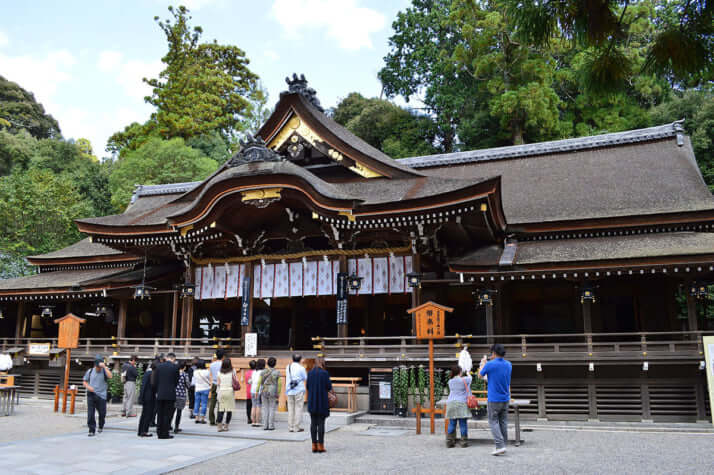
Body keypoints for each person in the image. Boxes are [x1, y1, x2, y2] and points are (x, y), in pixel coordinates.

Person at [478, 343, 513, 456]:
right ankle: (503, 444)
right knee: (503, 421)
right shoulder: (509, 364)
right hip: (505, 397)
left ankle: (500, 445)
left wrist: (483, 364)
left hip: (494, 398)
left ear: (493, 353)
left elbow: (479, 375)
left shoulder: (490, 364)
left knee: (493, 421)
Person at [306, 356, 332, 453]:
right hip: (322, 400)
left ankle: (314, 445)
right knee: (321, 423)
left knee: (313, 423)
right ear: (322, 363)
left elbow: (307, 386)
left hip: (312, 400)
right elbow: (329, 387)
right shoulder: (325, 373)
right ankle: (321, 445)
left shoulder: (310, 373)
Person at [82, 355, 112, 437]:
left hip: (102, 395)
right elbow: (84, 381)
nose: (99, 368)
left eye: (100, 367)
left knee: (102, 413)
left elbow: (110, 376)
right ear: (95, 365)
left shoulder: (104, 370)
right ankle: (91, 430)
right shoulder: (90, 371)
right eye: (97, 367)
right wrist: (88, 387)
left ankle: (101, 425)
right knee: (90, 413)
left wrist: (104, 367)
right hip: (91, 394)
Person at [154, 352, 179, 439]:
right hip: (170, 393)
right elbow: (176, 381)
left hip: (160, 393)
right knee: (167, 414)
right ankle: (165, 433)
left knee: (160, 414)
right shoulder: (175, 367)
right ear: (173, 359)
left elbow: (155, 381)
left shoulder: (159, 366)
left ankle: (159, 432)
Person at [445, 365, 472, 448]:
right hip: (461, 403)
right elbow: (471, 378)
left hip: (451, 403)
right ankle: (464, 442)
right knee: (463, 424)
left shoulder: (450, 381)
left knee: (452, 423)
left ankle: (449, 442)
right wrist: (467, 372)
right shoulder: (465, 379)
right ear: (460, 372)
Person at [257, 357, 281, 431]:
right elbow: (279, 384)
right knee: (272, 408)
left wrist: (257, 391)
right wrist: (278, 392)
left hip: (264, 390)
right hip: (273, 391)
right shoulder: (277, 372)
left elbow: (259, 382)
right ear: (275, 364)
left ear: (267, 363)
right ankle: (271, 425)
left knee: (264, 408)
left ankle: (265, 425)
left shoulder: (263, 372)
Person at [286, 354, 307, 432]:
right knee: (298, 408)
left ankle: (290, 427)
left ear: (292, 359)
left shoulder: (288, 367)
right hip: (299, 390)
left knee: (290, 409)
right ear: (300, 359)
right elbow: (305, 378)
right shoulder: (301, 368)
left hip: (289, 390)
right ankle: (296, 427)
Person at [216, 358, 238, 432]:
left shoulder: (219, 372)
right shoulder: (233, 371)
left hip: (221, 391)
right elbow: (236, 381)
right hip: (230, 391)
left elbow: (218, 383)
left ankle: (219, 426)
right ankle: (226, 426)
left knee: (221, 410)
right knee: (229, 410)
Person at [138, 361, 156, 437]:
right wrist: (141, 397)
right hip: (148, 397)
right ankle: (144, 431)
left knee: (145, 414)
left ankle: (141, 431)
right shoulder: (149, 374)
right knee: (147, 415)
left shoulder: (149, 373)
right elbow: (143, 386)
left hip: (147, 397)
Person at [172, 360, 190, 434]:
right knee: (179, 412)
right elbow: (188, 385)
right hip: (181, 395)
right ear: (184, 367)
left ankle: (168, 425)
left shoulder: (173, 373)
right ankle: (176, 427)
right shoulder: (185, 375)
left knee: (171, 412)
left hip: (173, 394)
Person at [208, 349, 225, 426]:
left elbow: (211, 374)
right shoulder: (224, 364)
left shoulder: (212, 364)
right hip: (222, 384)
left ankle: (211, 420)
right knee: (221, 403)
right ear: (223, 356)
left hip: (214, 383)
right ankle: (219, 420)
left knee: (213, 402)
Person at [250, 359, 265, 427]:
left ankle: (253, 421)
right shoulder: (263, 372)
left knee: (253, 405)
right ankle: (258, 421)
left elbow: (251, 381)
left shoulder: (254, 372)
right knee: (258, 405)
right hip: (258, 390)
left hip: (252, 390)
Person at [245, 360, 256, 425]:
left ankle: (249, 418)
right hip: (254, 391)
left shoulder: (247, 373)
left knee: (248, 406)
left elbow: (247, 382)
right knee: (254, 405)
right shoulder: (256, 373)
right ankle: (254, 418)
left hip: (248, 391)